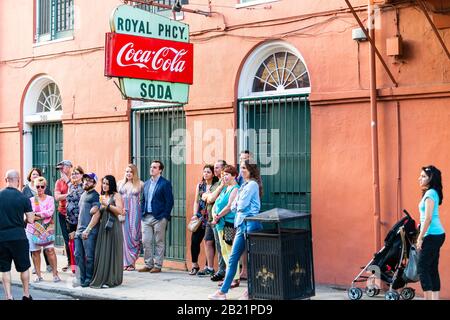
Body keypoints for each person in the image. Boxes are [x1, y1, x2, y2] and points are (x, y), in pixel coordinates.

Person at [208, 160, 263, 300]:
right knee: (232, 258)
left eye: (245, 168)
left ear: (251, 170)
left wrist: (237, 203)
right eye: (242, 168)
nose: (242, 170)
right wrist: (237, 204)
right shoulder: (244, 185)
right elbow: (233, 206)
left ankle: (250, 292)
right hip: (241, 225)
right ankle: (222, 292)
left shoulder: (252, 185)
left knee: (252, 260)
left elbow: (241, 205)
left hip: (250, 224)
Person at [0, 170, 34, 300]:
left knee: (5, 269)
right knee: (24, 268)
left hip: (2, 238)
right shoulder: (23, 198)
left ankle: (9, 296)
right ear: (18, 180)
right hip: (19, 237)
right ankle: (26, 295)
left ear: (6, 179)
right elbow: (30, 220)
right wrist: (22, 221)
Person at [138, 160, 174, 273]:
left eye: (154, 167)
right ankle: (148, 264)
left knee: (159, 241)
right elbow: (143, 200)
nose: (151, 169)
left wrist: (165, 216)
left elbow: (170, 201)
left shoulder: (165, 183)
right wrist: (142, 212)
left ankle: (158, 265)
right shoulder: (146, 183)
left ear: (160, 170)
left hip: (159, 217)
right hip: (146, 217)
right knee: (145, 241)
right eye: (151, 167)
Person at [416, 165, 446, 300]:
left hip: (432, 235)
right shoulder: (432, 192)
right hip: (436, 234)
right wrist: (421, 226)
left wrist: (420, 237)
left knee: (422, 267)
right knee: (432, 268)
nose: (419, 178)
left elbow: (428, 218)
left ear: (431, 178)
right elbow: (427, 217)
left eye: (423, 176)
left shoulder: (430, 193)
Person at [90, 175, 124, 288]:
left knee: (112, 252)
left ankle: (111, 279)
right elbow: (99, 212)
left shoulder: (116, 195)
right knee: (103, 252)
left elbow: (120, 211)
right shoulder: (101, 196)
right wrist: (96, 209)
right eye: (103, 183)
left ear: (112, 185)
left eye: (107, 184)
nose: (104, 186)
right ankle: (103, 278)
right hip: (103, 228)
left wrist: (107, 205)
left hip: (114, 227)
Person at [25, 177, 61, 283]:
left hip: (47, 229)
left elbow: (50, 212)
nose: (40, 188)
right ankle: (38, 275)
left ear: (45, 187)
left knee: (50, 250)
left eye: (42, 186)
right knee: (35, 252)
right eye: (37, 186)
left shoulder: (50, 199)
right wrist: (42, 215)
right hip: (33, 229)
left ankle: (55, 274)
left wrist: (38, 215)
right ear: (34, 187)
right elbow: (30, 215)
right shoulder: (31, 200)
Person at [210, 165, 240, 288]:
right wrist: (215, 216)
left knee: (230, 250)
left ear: (234, 175)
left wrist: (217, 216)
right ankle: (229, 277)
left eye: (227, 174)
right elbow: (216, 201)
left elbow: (229, 207)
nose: (224, 176)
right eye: (223, 174)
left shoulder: (235, 189)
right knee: (224, 251)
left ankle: (235, 278)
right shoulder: (225, 188)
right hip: (220, 224)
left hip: (228, 224)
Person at [188, 165, 219, 275]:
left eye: (208, 172)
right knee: (195, 241)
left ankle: (208, 266)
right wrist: (194, 215)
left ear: (213, 174)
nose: (205, 174)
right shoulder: (200, 185)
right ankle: (194, 265)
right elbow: (196, 201)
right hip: (200, 217)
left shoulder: (216, 185)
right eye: (204, 172)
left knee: (209, 242)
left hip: (210, 217)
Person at [22, 167, 52, 273]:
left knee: (45, 244)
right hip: (31, 222)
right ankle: (36, 267)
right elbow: (23, 203)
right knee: (33, 245)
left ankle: (48, 264)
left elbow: (50, 202)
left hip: (44, 222)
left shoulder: (44, 187)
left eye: (37, 174)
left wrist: (38, 215)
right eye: (33, 174)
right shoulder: (25, 189)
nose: (35, 176)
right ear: (30, 176)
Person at [74, 172, 101, 287]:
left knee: (89, 256)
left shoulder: (95, 195)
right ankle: (82, 277)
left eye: (89, 180)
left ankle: (89, 278)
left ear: (94, 183)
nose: (86, 181)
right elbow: (81, 214)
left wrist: (88, 230)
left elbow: (97, 214)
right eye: (85, 179)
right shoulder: (83, 194)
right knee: (78, 255)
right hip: (79, 231)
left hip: (88, 232)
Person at [118, 164, 144, 271]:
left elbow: (144, 199)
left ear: (134, 173)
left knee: (134, 236)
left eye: (130, 172)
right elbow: (117, 198)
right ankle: (125, 262)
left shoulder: (140, 184)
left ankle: (132, 263)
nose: (128, 174)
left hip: (135, 213)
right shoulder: (120, 184)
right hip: (123, 212)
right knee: (124, 237)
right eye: (127, 171)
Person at [54, 160, 73, 272]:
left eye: (63, 167)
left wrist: (64, 195)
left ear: (69, 167)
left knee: (74, 238)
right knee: (66, 240)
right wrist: (69, 194)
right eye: (59, 168)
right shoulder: (59, 182)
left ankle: (76, 263)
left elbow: (77, 193)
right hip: (62, 213)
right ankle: (70, 262)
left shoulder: (75, 179)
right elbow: (57, 197)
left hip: (74, 214)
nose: (61, 170)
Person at [65, 166, 85, 272]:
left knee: (80, 245)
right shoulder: (71, 186)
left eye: (76, 173)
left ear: (82, 175)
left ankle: (82, 267)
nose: (74, 175)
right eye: (73, 174)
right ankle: (74, 268)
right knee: (71, 244)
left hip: (81, 220)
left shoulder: (85, 186)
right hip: (70, 220)